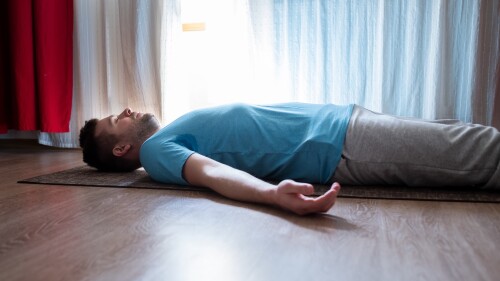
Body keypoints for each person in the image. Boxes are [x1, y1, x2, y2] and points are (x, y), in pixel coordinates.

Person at [79, 103, 500, 215]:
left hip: (341, 121)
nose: (127, 111)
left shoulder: (168, 135)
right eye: (116, 120)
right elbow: (211, 173)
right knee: (481, 150)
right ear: (121, 149)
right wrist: (271, 194)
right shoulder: (154, 153)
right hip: (338, 144)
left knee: (457, 134)